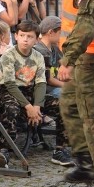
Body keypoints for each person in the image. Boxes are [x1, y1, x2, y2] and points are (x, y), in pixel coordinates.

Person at [55, 0, 94, 187]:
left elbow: (86, 23)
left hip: (91, 57)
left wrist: (68, 59)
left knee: (92, 115)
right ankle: (85, 163)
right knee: (69, 105)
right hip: (83, 55)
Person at [0, 21, 48, 167]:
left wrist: (37, 105)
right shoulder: (8, 56)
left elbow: (41, 82)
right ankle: (5, 149)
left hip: (31, 91)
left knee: (62, 105)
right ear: (16, 36)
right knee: (10, 108)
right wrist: (28, 107)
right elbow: (10, 84)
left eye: (30, 36)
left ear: (36, 39)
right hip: (11, 91)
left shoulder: (38, 57)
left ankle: (60, 148)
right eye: (22, 35)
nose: (25, 39)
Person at [33, 16, 71, 167]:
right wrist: (68, 86)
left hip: (56, 87)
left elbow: (63, 71)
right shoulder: (40, 51)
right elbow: (48, 79)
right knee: (69, 100)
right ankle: (63, 146)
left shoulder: (55, 49)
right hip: (46, 92)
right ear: (51, 32)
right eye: (60, 32)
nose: (63, 36)